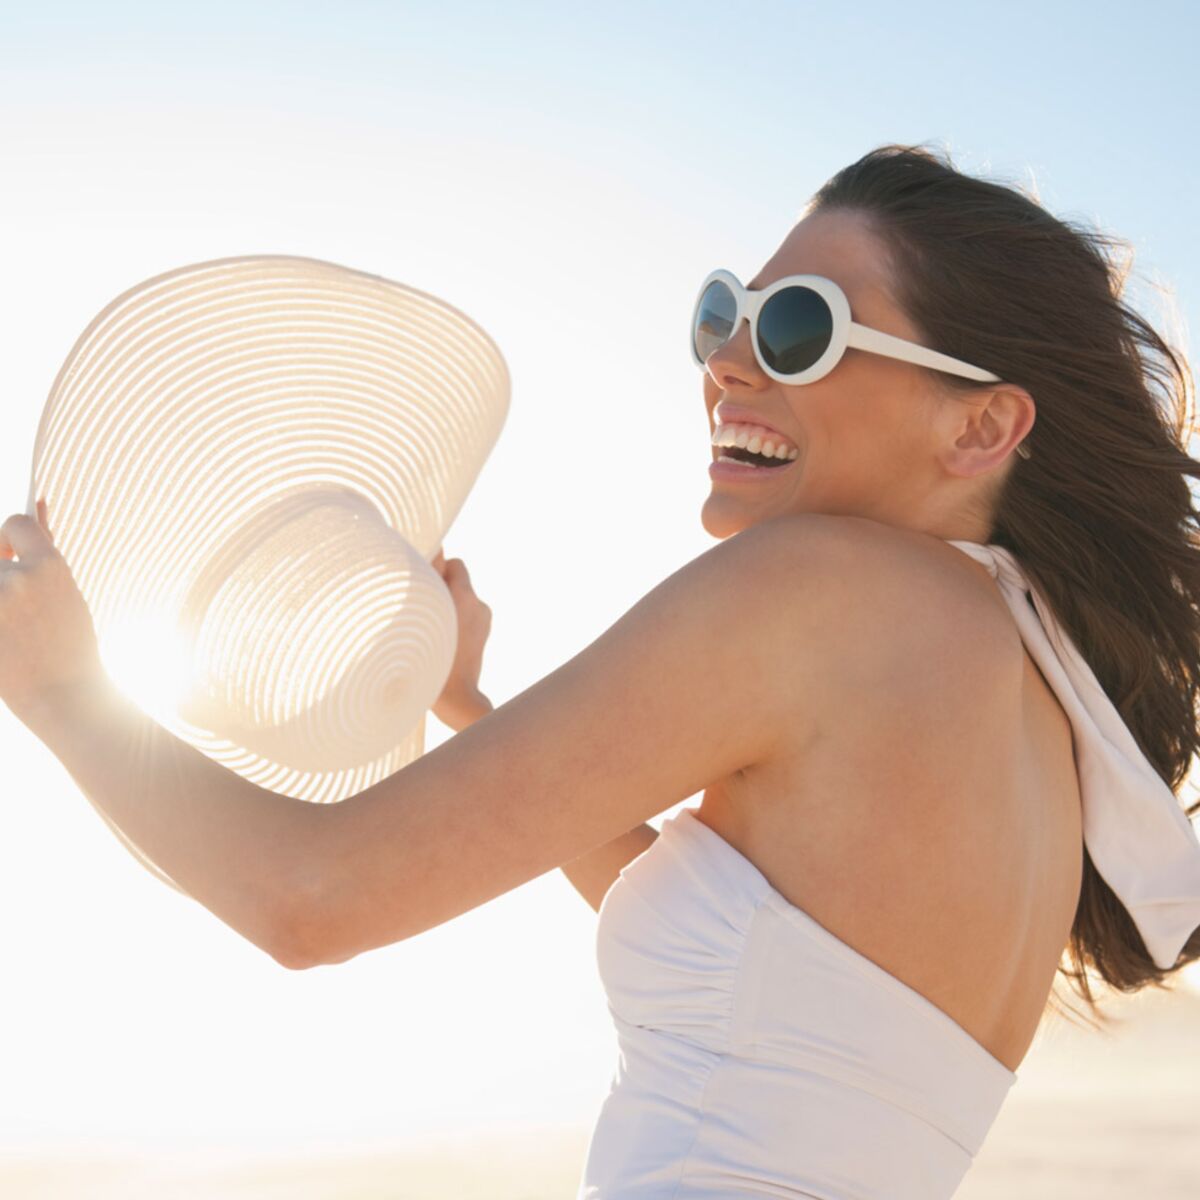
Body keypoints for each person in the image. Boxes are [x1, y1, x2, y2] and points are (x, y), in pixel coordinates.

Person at [2, 141, 1198, 1199]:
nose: (727, 360)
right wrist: (470, 705)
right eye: (724, 313)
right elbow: (755, 977)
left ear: (980, 427)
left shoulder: (828, 588)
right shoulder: (1033, 694)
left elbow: (309, 901)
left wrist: (62, 692)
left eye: (798, 329)